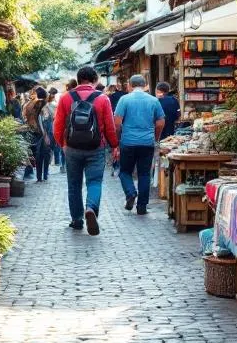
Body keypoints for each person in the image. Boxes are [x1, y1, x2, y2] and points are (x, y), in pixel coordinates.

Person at [54, 66, 119, 235]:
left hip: (72, 148)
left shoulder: (66, 98)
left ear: (78, 79)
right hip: (96, 147)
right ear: (95, 80)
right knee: (95, 182)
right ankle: (91, 208)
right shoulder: (103, 99)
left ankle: (76, 220)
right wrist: (114, 145)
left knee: (74, 185)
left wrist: (63, 144)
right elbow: (110, 127)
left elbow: (58, 126)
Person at [113, 74, 166, 215]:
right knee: (144, 174)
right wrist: (155, 137)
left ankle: (130, 193)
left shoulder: (124, 100)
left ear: (130, 85)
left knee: (124, 172)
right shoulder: (154, 100)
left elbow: (117, 123)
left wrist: (118, 140)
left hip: (128, 142)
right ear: (145, 85)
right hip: (147, 142)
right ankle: (142, 207)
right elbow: (160, 122)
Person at [23, 87, 53, 182]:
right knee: (45, 154)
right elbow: (42, 120)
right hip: (43, 133)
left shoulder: (30, 104)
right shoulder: (43, 104)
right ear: (45, 96)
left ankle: (40, 176)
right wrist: (46, 135)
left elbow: (25, 117)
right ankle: (44, 175)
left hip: (35, 131)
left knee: (39, 155)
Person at [46, 88, 64, 169]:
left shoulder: (47, 103)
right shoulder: (55, 104)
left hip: (49, 124)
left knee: (51, 144)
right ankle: (57, 162)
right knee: (57, 144)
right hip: (55, 123)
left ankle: (49, 161)